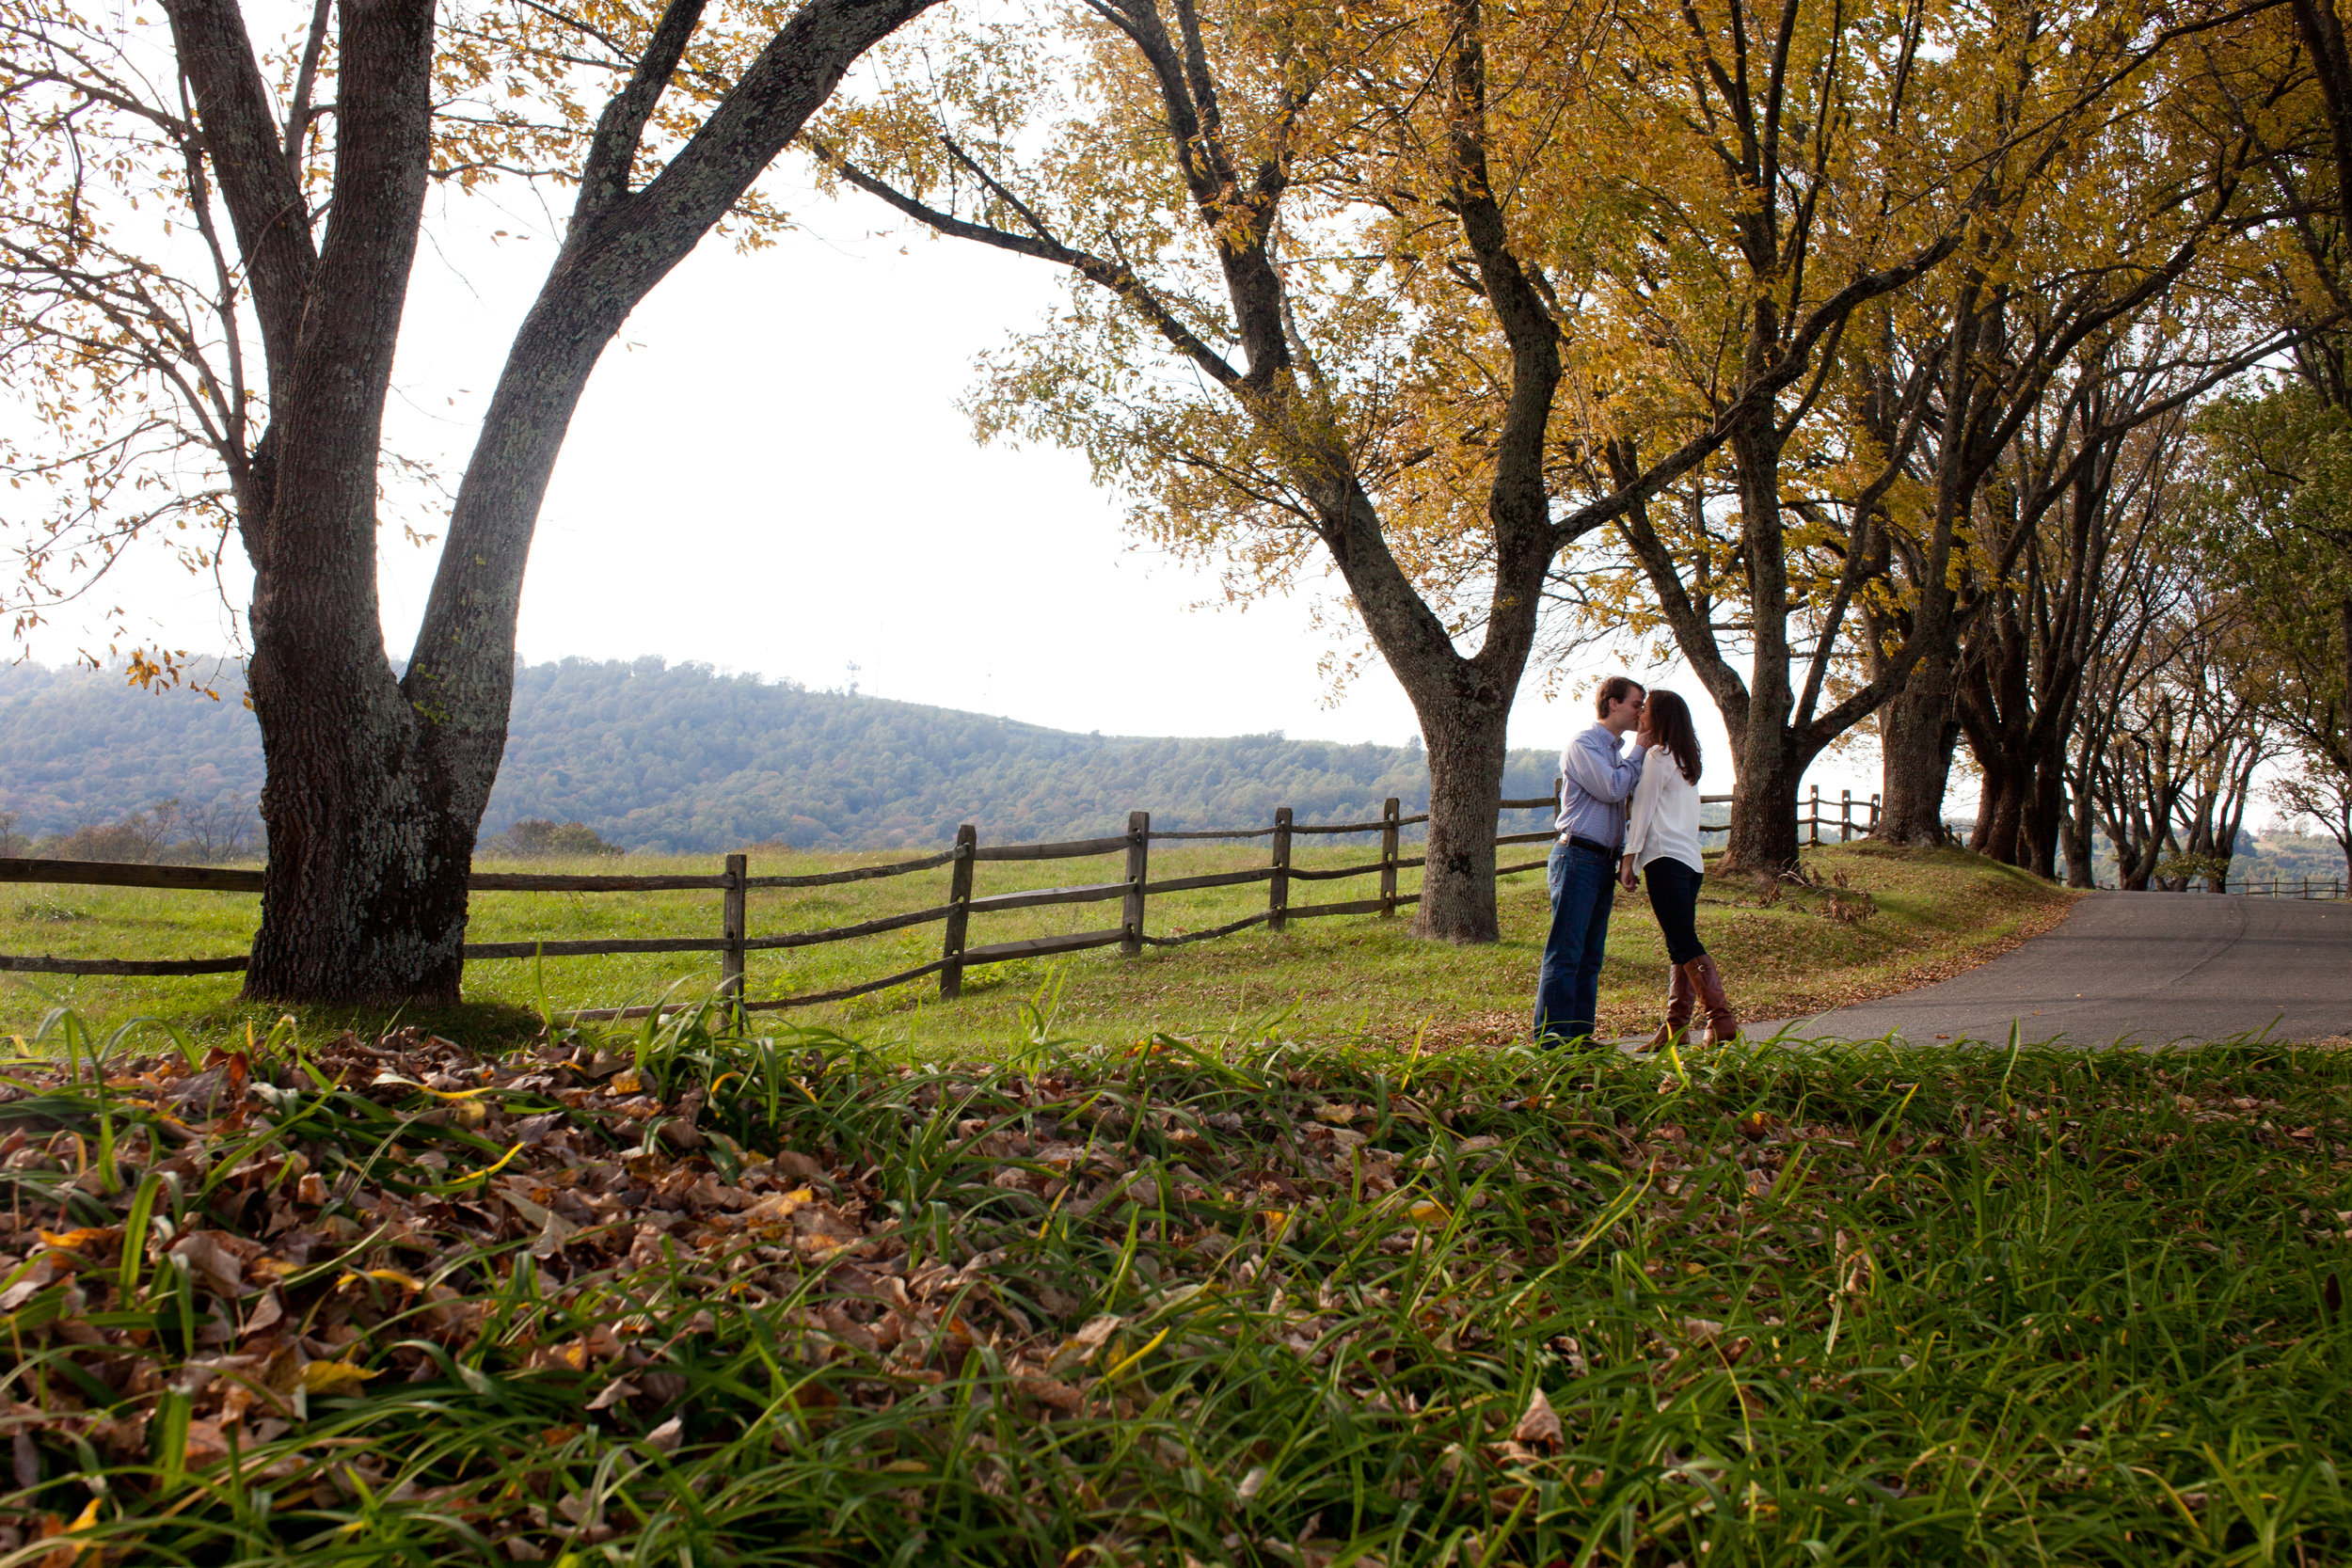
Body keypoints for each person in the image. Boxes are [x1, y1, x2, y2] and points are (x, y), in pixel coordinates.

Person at [1617, 689, 1738, 1048]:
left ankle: (1720, 1017)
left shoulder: (1657, 755)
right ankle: (1676, 1027)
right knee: (1678, 943)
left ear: (1662, 717)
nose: (1640, 714)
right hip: (1690, 863)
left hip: (1664, 859)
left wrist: (1628, 859)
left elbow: (1643, 811)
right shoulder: (1686, 760)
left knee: (1683, 941)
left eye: (1647, 709)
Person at [1534, 675, 1645, 1043]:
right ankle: (1551, 1042)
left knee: (1590, 957)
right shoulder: (1585, 744)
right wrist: (1641, 749)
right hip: (1577, 855)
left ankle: (1579, 1039)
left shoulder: (1613, 752)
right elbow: (1613, 789)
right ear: (1613, 704)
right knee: (1566, 953)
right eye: (1635, 704)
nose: (1640, 712)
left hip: (1601, 861)